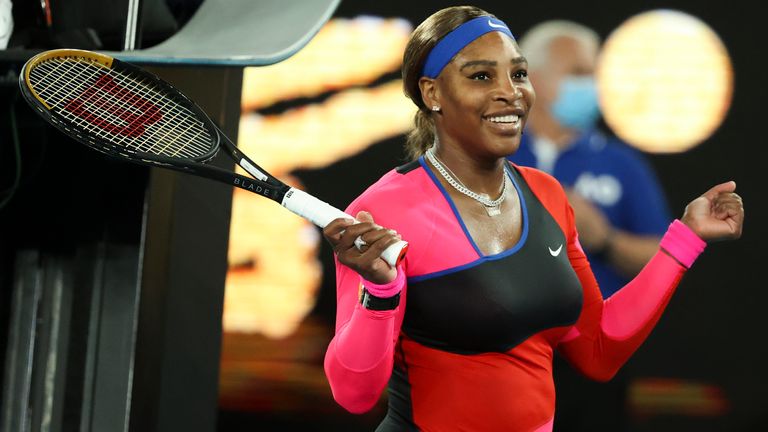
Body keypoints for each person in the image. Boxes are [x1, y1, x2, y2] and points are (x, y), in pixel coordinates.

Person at [320, 6, 744, 432]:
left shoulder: (546, 194)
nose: (511, 92)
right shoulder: (382, 212)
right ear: (432, 93)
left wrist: (686, 237)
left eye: (518, 74)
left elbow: (598, 349)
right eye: (482, 76)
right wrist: (380, 293)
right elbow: (354, 395)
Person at [508, 20, 673, 430]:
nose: (594, 85)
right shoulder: (493, 152)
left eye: (596, 74)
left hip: (590, 356)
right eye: (580, 73)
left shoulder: (620, 162)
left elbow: (663, 260)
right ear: (533, 77)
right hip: (501, 352)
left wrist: (606, 239)